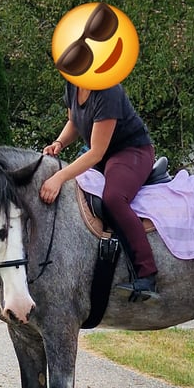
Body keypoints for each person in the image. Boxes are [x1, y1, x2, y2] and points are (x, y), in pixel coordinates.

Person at [41, 82, 159, 300]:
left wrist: (59, 177)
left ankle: (147, 275)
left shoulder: (108, 90)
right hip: (103, 155)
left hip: (131, 151)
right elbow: (73, 122)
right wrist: (59, 142)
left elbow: (95, 152)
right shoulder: (72, 85)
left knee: (114, 199)